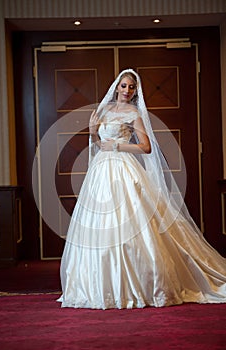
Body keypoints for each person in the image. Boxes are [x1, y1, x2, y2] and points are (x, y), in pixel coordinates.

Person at [57, 68, 226, 309]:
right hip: (100, 171)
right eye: (123, 86)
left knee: (132, 220)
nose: (127, 90)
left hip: (123, 168)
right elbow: (98, 146)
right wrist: (93, 132)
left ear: (135, 91)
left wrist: (117, 147)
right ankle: (99, 285)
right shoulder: (102, 110)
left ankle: (139, 285)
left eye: (131, 87)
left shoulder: (133, 113)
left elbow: (145, 147)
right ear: (116, 86)